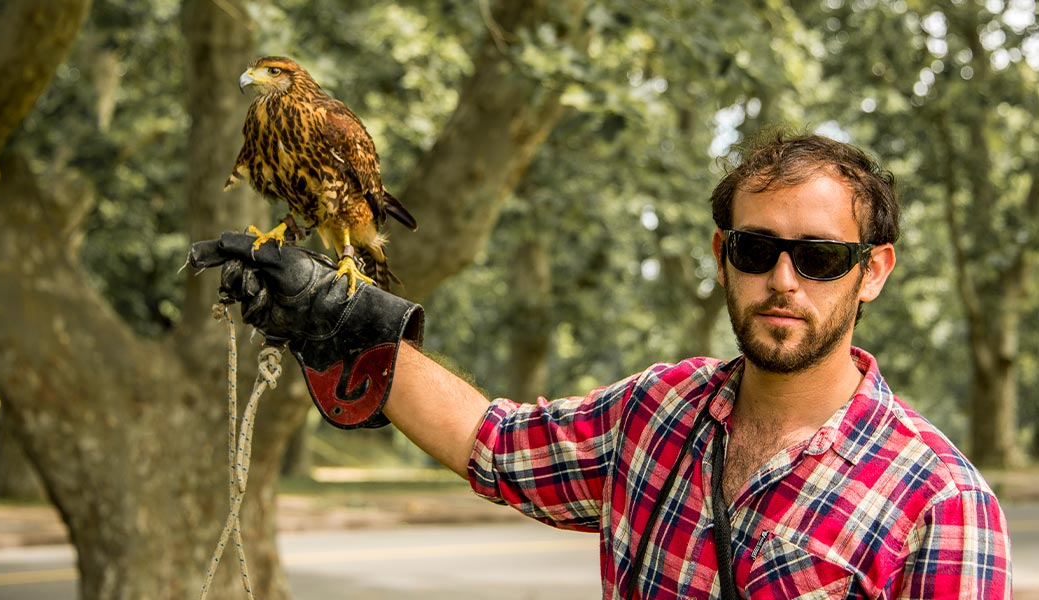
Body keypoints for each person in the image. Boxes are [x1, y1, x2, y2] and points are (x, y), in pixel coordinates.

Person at [189, 131, 1011, 598]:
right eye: (756, 250)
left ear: (873, 270)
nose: (783, 281)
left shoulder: (939, 502)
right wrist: (340, 319)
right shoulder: (656, 411)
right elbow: (492, 442)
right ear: (721, 255)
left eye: (820, 256)